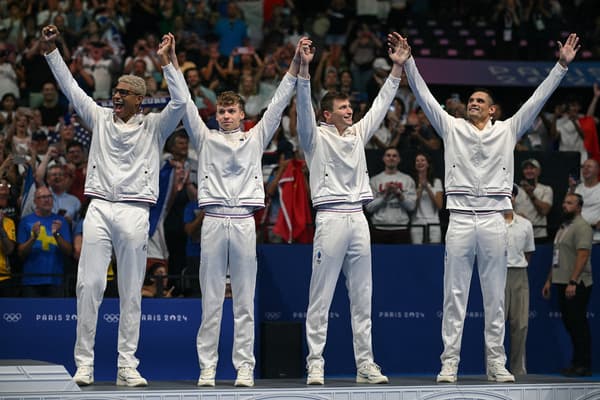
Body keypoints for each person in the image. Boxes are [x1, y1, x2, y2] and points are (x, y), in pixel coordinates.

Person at [393, 31, 580, 383]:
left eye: (480, 100)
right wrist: (409, 63)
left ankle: (496, 362)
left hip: (496, 220)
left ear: (492, 109)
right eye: (471, 100)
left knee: (495, 297)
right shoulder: (451, 128)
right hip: (461, 219)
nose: (473, 102)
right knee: (454, 296)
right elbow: (425, 97)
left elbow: (537, 102)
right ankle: (449, 362)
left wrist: (561, 67)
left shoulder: (508, 130)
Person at [40, 26, 187, 387]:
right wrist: (51, 50)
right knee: (89, 286)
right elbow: (71, 88)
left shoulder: (155, 126)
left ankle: (127, 366)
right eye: (116, 91)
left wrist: (168, 63)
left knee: (131, 289)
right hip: (100, 209)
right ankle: (85, 364)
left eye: (124, 92)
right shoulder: (99, 118)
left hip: (136, 212)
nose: (116, 96)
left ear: (140, 98)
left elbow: (182, 103)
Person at [177, 37, 307, 388]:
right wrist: (170, 62)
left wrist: (295, 66)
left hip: (244, 221)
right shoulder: (204, 138)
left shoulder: (255, 138)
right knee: (212, 299)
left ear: (242, 115)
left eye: (231, 111)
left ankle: (244, 368)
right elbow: (186, 104)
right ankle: (207, 368)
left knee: (245, 301)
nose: (226, 116)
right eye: (221, 111)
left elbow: (278, 105)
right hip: (214, 220)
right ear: (216, 114)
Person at [296, 36, 407, 386]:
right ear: (327, 114)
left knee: (363, 296)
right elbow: (302, 107)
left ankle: (366, 364)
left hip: (359, 219)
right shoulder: (313, 136)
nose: (350, 111)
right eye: (343, 108)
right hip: (329, 218)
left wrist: (398, 68)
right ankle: (315, 363)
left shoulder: (359, 134)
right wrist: (304, 70)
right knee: (321, 296)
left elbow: (380, 104)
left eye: (350, 108)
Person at [542, 193, 593, 377]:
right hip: (561, 281)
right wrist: (549, 279)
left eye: (569, 203)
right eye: (564, 202)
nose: (565, 205)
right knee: (570, 324)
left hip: (577, 283)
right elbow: (557, 256)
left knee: (578, 324)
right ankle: (575, 362)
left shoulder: (582, 227)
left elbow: (583, 255)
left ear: (579, 207)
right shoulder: (564, 226)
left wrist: (573, 281)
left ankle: (584, 364)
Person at [17, 186, 72, 297]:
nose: (47, 200)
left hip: (55, 280)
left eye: (49, 196)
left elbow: (68, 251)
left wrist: (57, 234)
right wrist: (33, 238)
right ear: (35, 201)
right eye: (42, 197)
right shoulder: (25, 221)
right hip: (31, 280)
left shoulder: (61, 221)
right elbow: (20, 253)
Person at [504, 185, 535, 376]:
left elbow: (528, 253)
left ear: (515, 197)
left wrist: (517, 264)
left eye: (511, 195)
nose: (509, 198)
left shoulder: (525, 224)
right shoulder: (490, 224)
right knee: (495, 325)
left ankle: (517, 368)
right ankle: (495, 366)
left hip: (519, 275)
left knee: (521, 324)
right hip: (497, 275)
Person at [365, 146, 416, 244]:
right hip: (379, 228)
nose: (391, 158)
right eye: (388, 155)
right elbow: (369, 208)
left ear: (399, 159)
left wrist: (399, 194)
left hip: (401, 228)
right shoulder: (375, 180)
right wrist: (385, 195)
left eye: (394, 156)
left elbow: (411, 207)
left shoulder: (407, 180)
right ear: (383, 158)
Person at [514, 158, 553, 242]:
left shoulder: (546, 189)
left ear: (538, 171)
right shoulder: (516, 189)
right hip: (519, 233)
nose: (529, 171)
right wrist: (516, 216)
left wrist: (531, 194)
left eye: (532, 168)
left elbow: (544, 211)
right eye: (526, 168)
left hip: (538, 235)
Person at [410, 152, 444, 244]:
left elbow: (439, 205)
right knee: (417, 252)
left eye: (422, 160)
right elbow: (412, 206)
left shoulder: (437, 181)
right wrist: (421, 188)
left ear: (428, 164)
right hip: (416, 222)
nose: (419, 163)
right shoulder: (411, 182)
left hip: (434, 222)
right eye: (417, 161)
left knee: (434, 251)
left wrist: (427, 188)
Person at [569, 158, 600, 244]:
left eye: (589, 166)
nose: (585, 169)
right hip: (577, 236)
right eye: (583, 167)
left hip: (597, 238)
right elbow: (566, 208)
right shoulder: (576, 188)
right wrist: (571, 189)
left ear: (597, 170)